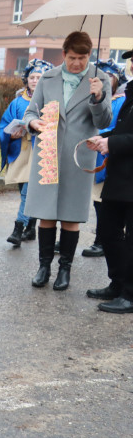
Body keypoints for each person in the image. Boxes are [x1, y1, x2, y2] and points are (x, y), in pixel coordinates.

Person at [24, 31, 112, 291]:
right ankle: (43, 267)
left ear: (89, 55)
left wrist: (98, 98)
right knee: (47, 214)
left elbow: (104, 122)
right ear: (64, 55)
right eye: (72, 57)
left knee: (71, 216)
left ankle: (65, 270)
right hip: (48, 152)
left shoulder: (100, 79)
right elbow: (31, 110)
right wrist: (32, 122)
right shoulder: (48, 77)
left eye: (83, 58)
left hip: (79, 155)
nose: (77, 63)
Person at [85, 50, 133, 313]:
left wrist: (110, 142)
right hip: (119, 177)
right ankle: (117, 283)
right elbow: (125, 129)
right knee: (107, 230)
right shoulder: (130, 93)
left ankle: (130, 294)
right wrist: (103, 136)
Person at [0, 59, 53, 246]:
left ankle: (18, 228)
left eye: (40, 77)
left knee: (28, 193)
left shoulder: (51, 102)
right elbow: (4, 124)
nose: (35, 80)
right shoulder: (17, 101)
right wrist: (11, 136)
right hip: (21, 150)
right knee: (24, 189)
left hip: (40, 151)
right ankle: (31, 226)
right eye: (32, 77)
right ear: (26, 79)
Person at [82, 62, 124, 258]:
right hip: (96, 150)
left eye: (110, 75)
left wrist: (105, 137)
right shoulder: (94, 97)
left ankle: (100, 241)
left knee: (103, 202)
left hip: (111, 153)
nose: (105, 78)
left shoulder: (122, 100)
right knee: (96, 201)